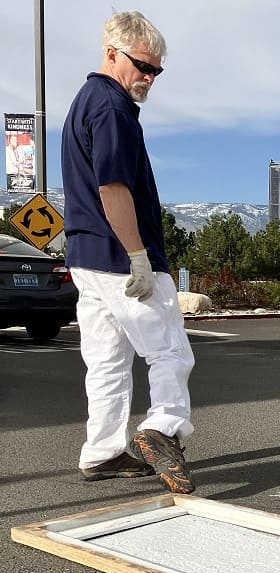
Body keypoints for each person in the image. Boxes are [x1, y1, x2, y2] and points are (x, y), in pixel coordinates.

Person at [61, 11, 196, 494]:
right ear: (112, 54)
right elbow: (113, 186)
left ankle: (102, 452)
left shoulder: (84, 101)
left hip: (85, 253)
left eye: (157, 70)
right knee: (169, 351)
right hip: (121, 257)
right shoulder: (112, 107)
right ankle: (163, 427)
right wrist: (138, 256)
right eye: (143, 66)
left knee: (107, 358)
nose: (149, 78)